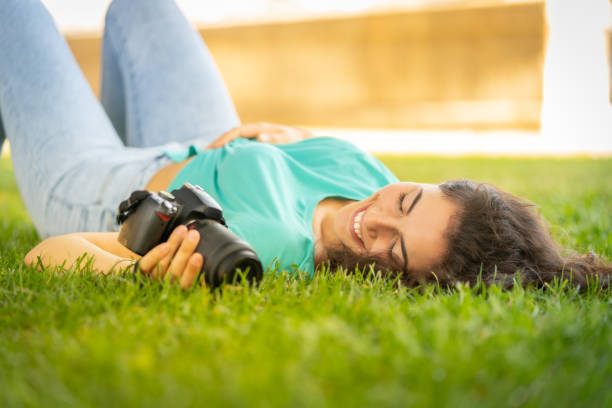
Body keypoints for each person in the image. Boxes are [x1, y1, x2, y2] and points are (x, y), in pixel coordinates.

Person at [1, 0, 609, 290]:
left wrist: (141, 273)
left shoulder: (269, 251)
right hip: (200, 139)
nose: (373, 222)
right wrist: (283, 138)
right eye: (405, 202)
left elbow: (49, 255)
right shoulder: (369, 172)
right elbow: (309, 152)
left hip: (106, 185)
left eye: (394, 253)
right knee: (143, 8)